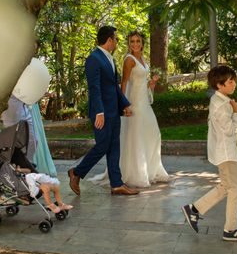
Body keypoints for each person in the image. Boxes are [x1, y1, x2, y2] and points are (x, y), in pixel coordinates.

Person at [181, 65, 237, 242]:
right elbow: (229, 130)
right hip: (227, 153)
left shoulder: (219, 100)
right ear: (219, 85)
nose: (234, 83)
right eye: (230, 81)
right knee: (235, 188)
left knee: (225, 187)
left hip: (224, 152)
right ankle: (230, 230)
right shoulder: (222, 106)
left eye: (233, 80)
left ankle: (194, 209)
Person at [89, 31, 169, 187]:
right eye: (132, 41)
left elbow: (140, 83)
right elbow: (124, 83)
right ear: (128, 44)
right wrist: (124, 104)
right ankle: (136, 173)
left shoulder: (142, 59)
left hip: (144, 102)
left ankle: (150, 170)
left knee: (152, 134)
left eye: (138, 41)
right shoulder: (129, 59)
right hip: (133, 103)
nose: (135, 44)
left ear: (142, 43)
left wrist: (150, 84)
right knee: (136, 136)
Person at [68, 26, 138, 196]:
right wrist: (99, 112)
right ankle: (76, 172)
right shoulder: (94, 59)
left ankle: (117, 184)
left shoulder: (110, 59)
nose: (117, 42)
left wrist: (124, 104)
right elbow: (94, 88)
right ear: (109, 40)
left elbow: (113, 86)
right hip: (102, 113)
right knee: (102, 146)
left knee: (114, 147)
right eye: (116, 38)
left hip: (114, 111)